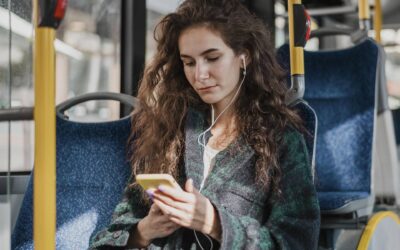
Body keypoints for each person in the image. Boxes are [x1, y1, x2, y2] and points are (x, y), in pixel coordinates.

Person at [89, 0, 320, 249]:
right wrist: (144, 231)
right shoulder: (170, 129)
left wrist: (214, 223)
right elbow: (108, 237)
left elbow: (296, 242)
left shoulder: (280, 137)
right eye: (189, 62)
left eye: (212, 58)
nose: (199, 75)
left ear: (244, 57)